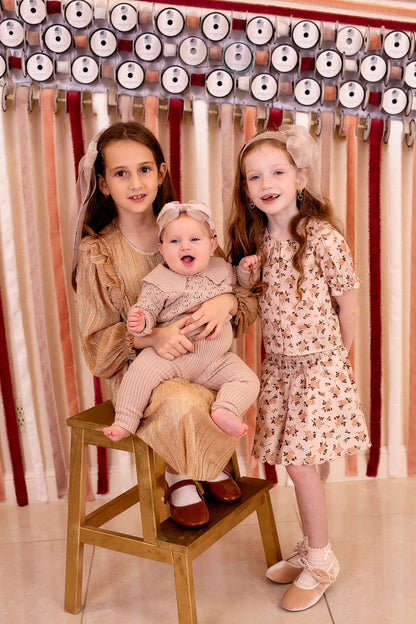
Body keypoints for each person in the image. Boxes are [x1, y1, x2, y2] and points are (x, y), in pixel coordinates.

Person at [72, 121, 258, 528]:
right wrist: (153, 337)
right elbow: (96, 342)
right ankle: (182, 473)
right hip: (141, 370)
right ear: (103, 184)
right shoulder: (97, 252)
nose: (135, 183)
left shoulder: (187, 228)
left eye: (144, 169)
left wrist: (226, 303)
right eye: (121, 173)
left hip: (204, 357)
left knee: (238, 381)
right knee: (182, 399)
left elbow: (232, 287)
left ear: (161, 173)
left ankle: (204, 460)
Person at [228, 125, 370, 611]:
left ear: (300, 178)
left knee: (299, 462)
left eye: (277, 172)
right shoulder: (257, 242)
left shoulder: (322, 237)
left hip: (320, 368)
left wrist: (338, 362)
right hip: (281, 368)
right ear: (246, 189)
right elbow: (253, 303)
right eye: (254, 177)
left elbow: (349, 305)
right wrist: (244, 276)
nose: (266, 183)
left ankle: (322, 559)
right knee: (301, 460)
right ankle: (310, 545)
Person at [103, 200, 259, 441]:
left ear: (212, 244)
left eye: (195, 239)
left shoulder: (221, 268)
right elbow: (147, 308)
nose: (185, 246)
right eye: (174, 242)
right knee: (140, 372)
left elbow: (242, 289)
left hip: (216, 361)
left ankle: (226, 409)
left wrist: (246, 272)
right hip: (173, 356)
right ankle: (125, 420)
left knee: (248, 379)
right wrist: (140, 320)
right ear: (162, 248)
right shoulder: (157, 281)